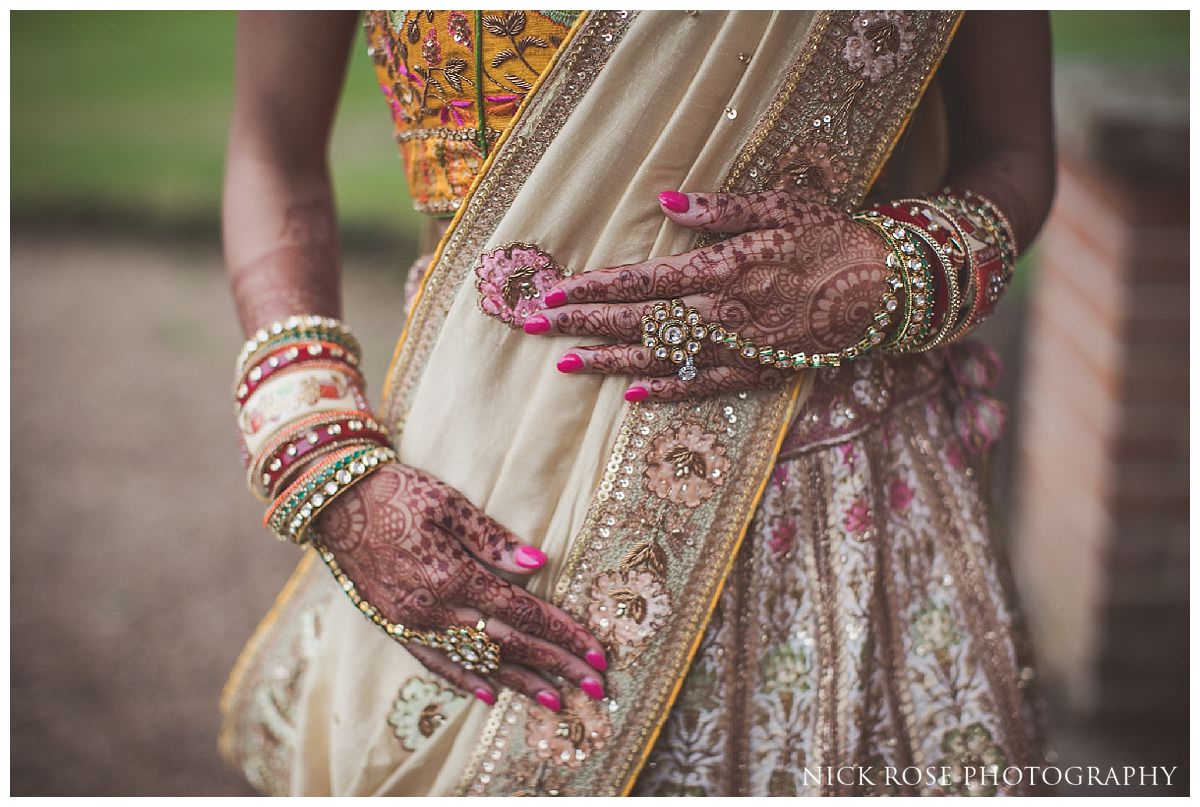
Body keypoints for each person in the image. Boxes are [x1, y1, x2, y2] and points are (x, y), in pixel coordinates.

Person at [219, 10, 1056, 796]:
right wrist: (321, 450)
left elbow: (1017, 150)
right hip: (472, 495)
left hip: (831, 509)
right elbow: (272, 149)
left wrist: (887, 270)